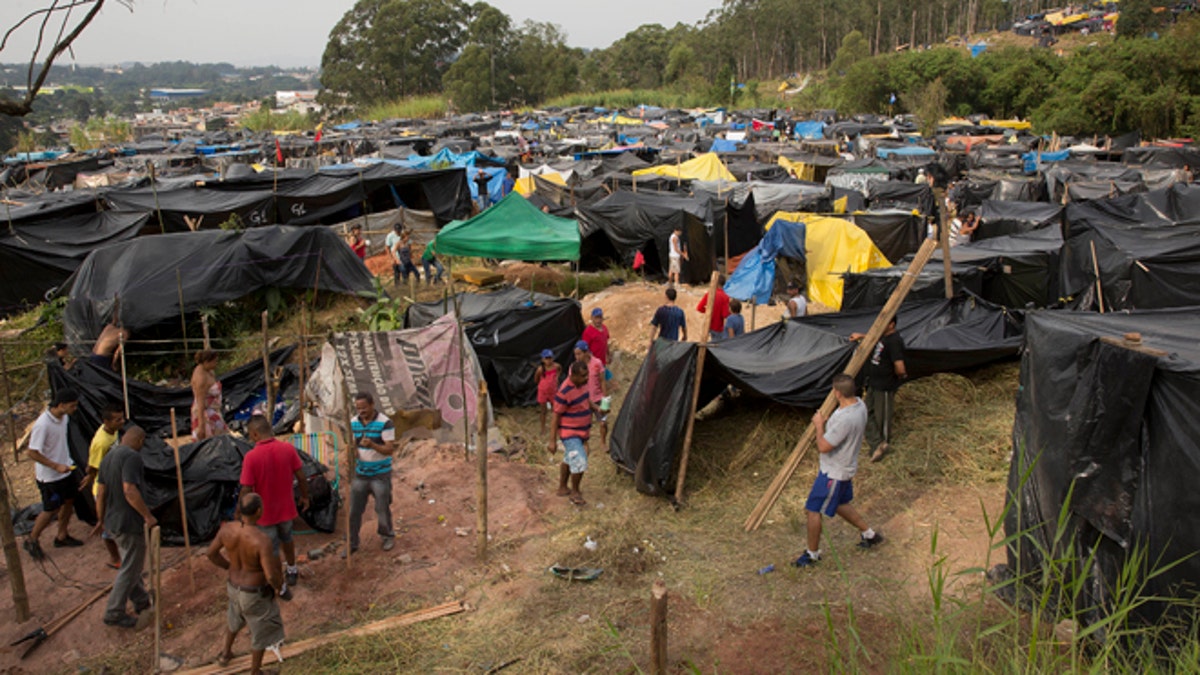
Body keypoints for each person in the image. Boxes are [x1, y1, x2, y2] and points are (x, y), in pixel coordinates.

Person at [793, 374, 884, 567]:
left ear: (837, 393)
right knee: (841, 503)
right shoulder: (859, 405)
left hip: (833, 472)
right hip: (845, 467)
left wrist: (819, 426)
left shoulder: (846, 419)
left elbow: (824, 446)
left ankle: (812, 555)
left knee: (812, 510)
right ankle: (870, 535)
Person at [208, 493, 289, 674]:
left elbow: (211, 554)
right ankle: (255, 672)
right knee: (260, 631)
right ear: (259, 511)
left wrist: (229, 566)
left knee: (234, 618)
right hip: (253, 592)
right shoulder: (261, 540)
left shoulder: (227, 529)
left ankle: (225, 654)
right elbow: (270, 575)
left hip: (233, 586)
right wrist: (279, 587)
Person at [93, 426, 154, 628]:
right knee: (130, 567)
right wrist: (147, 515)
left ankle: (141, 600)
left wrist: (101, 519)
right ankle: (114, 612)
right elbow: (129, 490)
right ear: (139, 440)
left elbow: (100, 493)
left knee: (130, 561)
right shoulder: (131, 458)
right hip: (128, 521)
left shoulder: (108, 457)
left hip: (113, 521)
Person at [241, 415, 310, 592]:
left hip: (263, 514)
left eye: (250, 435)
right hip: (286, 509)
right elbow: (302, 477)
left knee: (270, 549)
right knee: (287, 539)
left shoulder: (251, 457)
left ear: (255, 434)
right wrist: (305, 497)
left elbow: (246, 488)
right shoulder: (287, 449)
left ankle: (280, 583)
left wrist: (243, 513)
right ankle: (292, 569)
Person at [24, 388, 83, 560]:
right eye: (72, 406)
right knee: (50, 509)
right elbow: (32, 452)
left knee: (68, 502)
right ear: (61, 405)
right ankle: (32, 539)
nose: (75, 409)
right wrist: (55, 465)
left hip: (66, 470)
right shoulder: (43, 424)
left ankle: (62, 536)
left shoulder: (63, 418)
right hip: (50, 477)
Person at [850, 317, 908, 462]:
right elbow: (875, 339)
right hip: (874, 383)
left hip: (885, 385)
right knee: (865, 412)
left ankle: (883, 445)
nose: (880, 325)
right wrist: (861, 336)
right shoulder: (884, 337)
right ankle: (877, 442)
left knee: (882, 417)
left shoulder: (894, 341)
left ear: (892, 324)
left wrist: (900, 375)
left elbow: (899, 365)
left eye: (885, 322)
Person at [347, 393, 397, 555]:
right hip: (361, 473)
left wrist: (373, 445)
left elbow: (389, 450)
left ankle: (387, 536)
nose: (361, 411)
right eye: (358, 408)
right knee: (354, 510)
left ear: (372, 404)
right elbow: (353, 445)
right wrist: (353, 452)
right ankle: (352, 543)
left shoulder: (385, 422)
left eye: (364, 408)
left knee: (382, 508)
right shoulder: (354, 423)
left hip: (380, 474)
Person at [85, 402, 126, 569]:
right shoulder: (101, 443)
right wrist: (90, 478)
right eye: (117, 420)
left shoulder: (113, 432)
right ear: (106, 421)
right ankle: (115, 558)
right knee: (108, 526)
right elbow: (92, 467)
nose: (121, 422)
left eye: (122, 418)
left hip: (113, 482)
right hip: (104, 488)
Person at [548, 362, 593, 506]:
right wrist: (552, 441)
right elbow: (555, 416)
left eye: (587, 375)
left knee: (570, 458)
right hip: (570, 432)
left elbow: (586, 400)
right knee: (579, 461)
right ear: (573, 375)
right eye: (583, 376)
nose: (586, 378)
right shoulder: (564, 391)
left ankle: (562, 487)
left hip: (582, 431)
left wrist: (598, 408)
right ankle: (575, 492)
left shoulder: (583, 385)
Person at [574, 340, 607, 450]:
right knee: (584, 424)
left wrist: (605, 398)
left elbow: (602, 380)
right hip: (584, 400)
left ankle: (603, 442)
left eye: (579, 354)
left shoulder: (597, 363)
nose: (577, 357)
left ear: (586, 353)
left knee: (603, 422)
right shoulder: (575, 367)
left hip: (597, 398)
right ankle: (585, 444)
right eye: (575, 354)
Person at [191, 349, 227, 440]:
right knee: (210, 442)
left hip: (213, 410)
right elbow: (200, 402)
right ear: (207, 362)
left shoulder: (209, 371)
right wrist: (201, 426)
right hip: (204, 414)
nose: (216, 363)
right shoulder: (201, 378)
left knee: (221, 438)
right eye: (214, 361)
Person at [696, 277, 731, 342]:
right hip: (718, 326)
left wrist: (708, 311)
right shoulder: (725, 297)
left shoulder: (709, 294)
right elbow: (724, 314)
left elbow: (699, 308)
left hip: (708, 324)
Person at [535, 349, 561, 434]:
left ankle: (556, 427)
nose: (549, 360)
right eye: (546, 358)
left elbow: (560, 370)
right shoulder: (540, 370)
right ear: (543, 360)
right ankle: (543, 428)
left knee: (555, 410)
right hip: (543, 392)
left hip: (553, 392)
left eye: (550, 358)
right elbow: (536, 379)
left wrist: (556, 378)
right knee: (543, 411)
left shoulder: (556, 366)